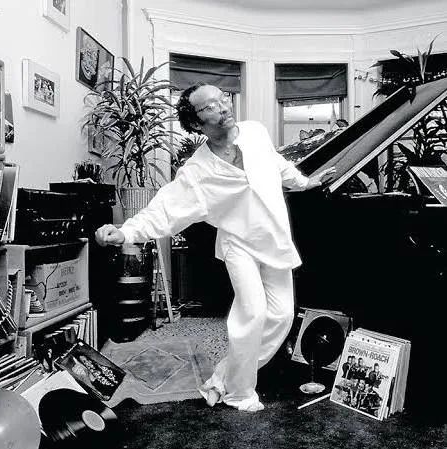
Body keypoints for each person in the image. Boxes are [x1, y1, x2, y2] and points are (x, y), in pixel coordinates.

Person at [95, 83, 336, 412]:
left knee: (281, 316)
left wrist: (305, 182)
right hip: (239, 245)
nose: (223, 107)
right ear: (196, 123)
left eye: (223, 98)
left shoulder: (255, 132)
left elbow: (277, 164)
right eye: (210, 106)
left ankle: (224, 377)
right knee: (252, 313)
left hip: (274, 239)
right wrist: (125, 233)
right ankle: (240, 393)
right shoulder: (197, 172)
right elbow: (164, 209)